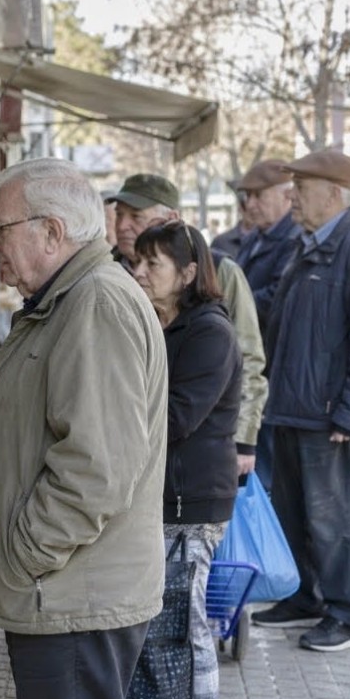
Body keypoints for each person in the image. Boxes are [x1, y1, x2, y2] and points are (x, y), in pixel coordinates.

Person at [0, 158, 168, 699]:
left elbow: (97, 468)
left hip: (72, 595)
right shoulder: (70, 298)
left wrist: (28, 553)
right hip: (63, 590)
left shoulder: (95, 302)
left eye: (1, 228)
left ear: (52, 231)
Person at [251, 149, 350, 652]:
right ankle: (306, 599)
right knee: (294, 512)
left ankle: (348, 618)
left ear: (333, 195)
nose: (292, 196)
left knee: (337, 521)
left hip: (330, 416)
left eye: (301, 188)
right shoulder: (309, 246)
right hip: (291, 408)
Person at [130, 221, 242, 699]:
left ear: (189, 272)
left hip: (190, 502)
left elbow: (176, 419)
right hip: (163, 499)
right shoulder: (166, 325)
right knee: (159, 628)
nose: (139, 272)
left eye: (153, 264)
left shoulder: (210, 333)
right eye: (139, 262)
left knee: (186, 628)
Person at [107, 174, 265, 482]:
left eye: (136, 216)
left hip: (193, 456)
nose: (123, 225)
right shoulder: (108, 273)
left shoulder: (219, 271)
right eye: (119, 214)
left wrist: (244, 440)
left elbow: (248, 357)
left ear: (172, 219)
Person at [234, 159, 301, 490]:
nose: (251, 204)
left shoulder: (293, 239)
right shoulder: (254, 238)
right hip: (249, 366)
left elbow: (276, 297)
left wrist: (232, 307)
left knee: (267, 478)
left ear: (286, 195)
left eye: (259, 196)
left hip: (271, 371)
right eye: (248, 196)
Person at [210, 189, 253, 259]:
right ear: (240, 208)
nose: (252, 211)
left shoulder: (268, 242)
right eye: (246, 206)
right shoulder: (221, 243)